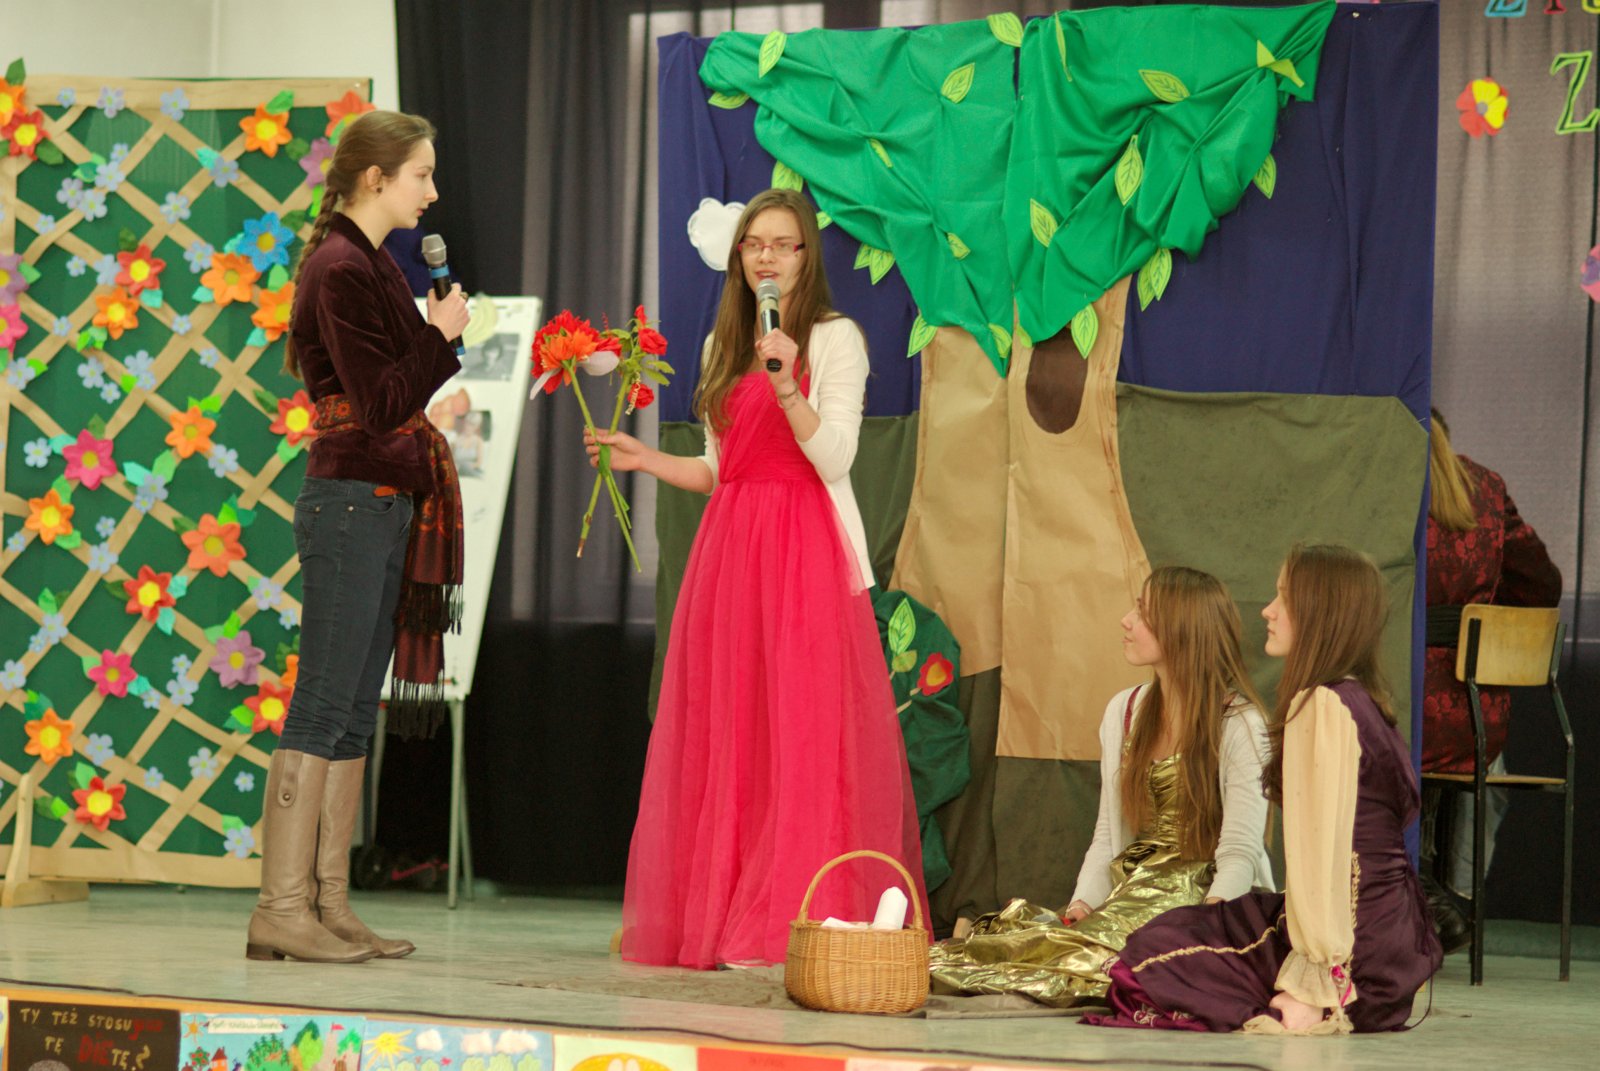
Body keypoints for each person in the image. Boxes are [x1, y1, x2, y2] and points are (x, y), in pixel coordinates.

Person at [588, 187, 927, 968]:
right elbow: (719, 468)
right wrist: (648, 459)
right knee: (735, 734)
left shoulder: (835, 340)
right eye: (753, 244)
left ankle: (789, 921)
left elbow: (834, 457)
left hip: (806, 551)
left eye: (782, 244)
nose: (766, 257)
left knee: (801, 736)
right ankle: (729, 910)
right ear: (739, 257)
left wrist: (788, 384)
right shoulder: (723, 342)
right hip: (733, 552)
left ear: (806, 257)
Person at [246, 110, 470, 964]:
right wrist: (438, 336)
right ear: (376, 178)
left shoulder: (369, 263)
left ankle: (327, 903)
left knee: (348, 716)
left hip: (378, 501)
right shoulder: (339, 268)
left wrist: (430, 335)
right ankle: (281, 906)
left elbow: (390, 390)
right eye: (421, 174)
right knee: (321, 704)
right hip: (348, 501)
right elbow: (379, 404)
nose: (432, 191)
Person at [1090, 544, 1443, 1034]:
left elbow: (1324, 861)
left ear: (1319, 614)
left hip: (1354, 954)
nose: (1268, 611)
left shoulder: (1323, 706)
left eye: (1283, 599)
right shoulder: (1356, 699)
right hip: (1386, 939)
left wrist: (1312, 987)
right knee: (1170, 934)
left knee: (1144, 961)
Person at [929, 566, 1273, 1006]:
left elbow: (1240, 850)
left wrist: (1207, 931)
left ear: (1181, 629)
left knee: (1097, 964)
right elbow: (1109, 835)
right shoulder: (1125, 710)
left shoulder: (1240, 723)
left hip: (1202, 897)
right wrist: (1082, 906)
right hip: (1135, 888)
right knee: (1033, 945)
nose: (1126, 621)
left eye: (1142, 613)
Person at [1422, 409, 1561, 949]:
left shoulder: (1376, 478)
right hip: (1476, 715)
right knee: (1479, 771)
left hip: (1400, 704)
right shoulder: (1485, 486)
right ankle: (1452, 895)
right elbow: (1541, 583)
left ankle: (1418, 892)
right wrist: (1478, 610)